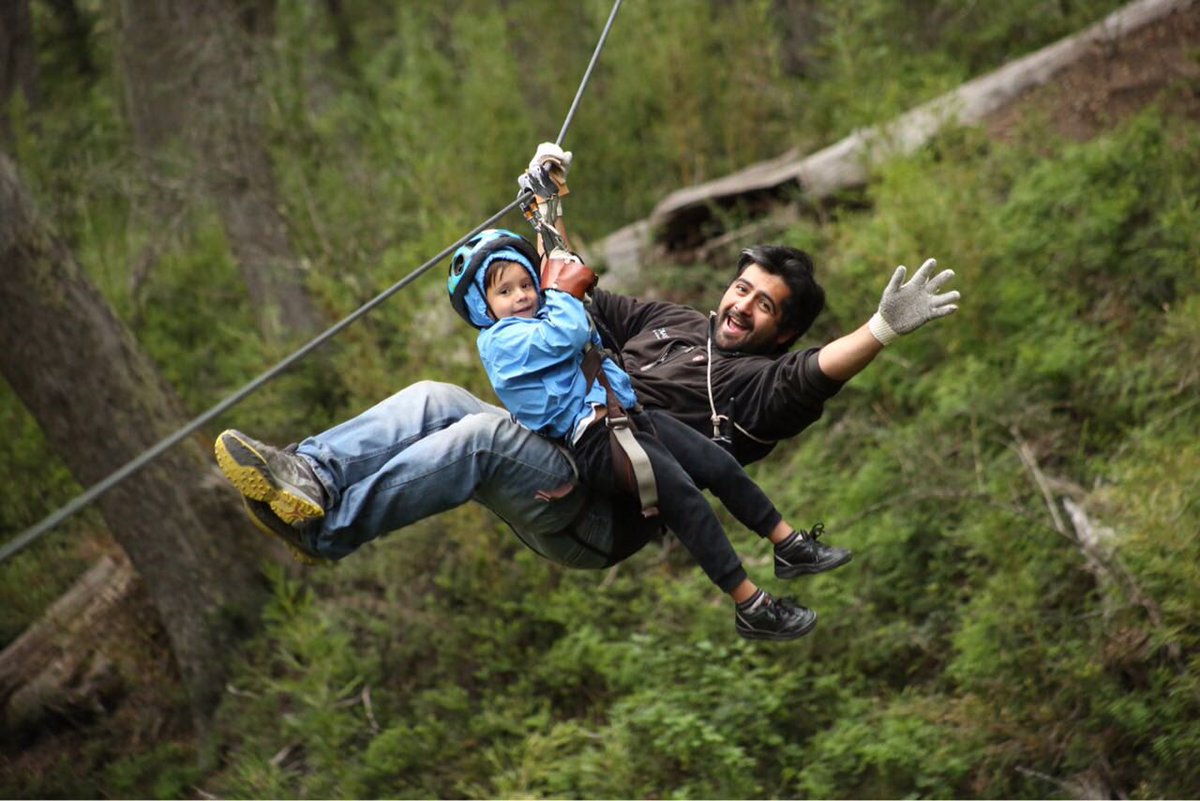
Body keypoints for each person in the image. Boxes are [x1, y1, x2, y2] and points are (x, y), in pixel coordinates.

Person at [214, 143, 959, 606]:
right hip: (561, 446)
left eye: (765, 308)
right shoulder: (670, 320)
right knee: (432, 396)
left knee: (477, 438)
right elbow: (568, 289)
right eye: (742, 289)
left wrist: (880, 329)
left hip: (596, 509)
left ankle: (328, 534)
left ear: (783, 331)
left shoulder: (759, 392)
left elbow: (817, 375)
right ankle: (309, 476)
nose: (743, 307)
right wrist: (546, 200)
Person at [447, 227, 848, 640]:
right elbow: (568, 324)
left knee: (715, 463)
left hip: (627, 417)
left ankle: (789, 545)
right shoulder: (505, 340)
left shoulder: (546, 313)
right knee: (683, 496)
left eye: (527, 284)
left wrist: (547, 210)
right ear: (483, 307)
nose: (523, 296)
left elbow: (571, 284)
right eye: (505, 293)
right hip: (595, 440)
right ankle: (750, 604)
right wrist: (561, 291)